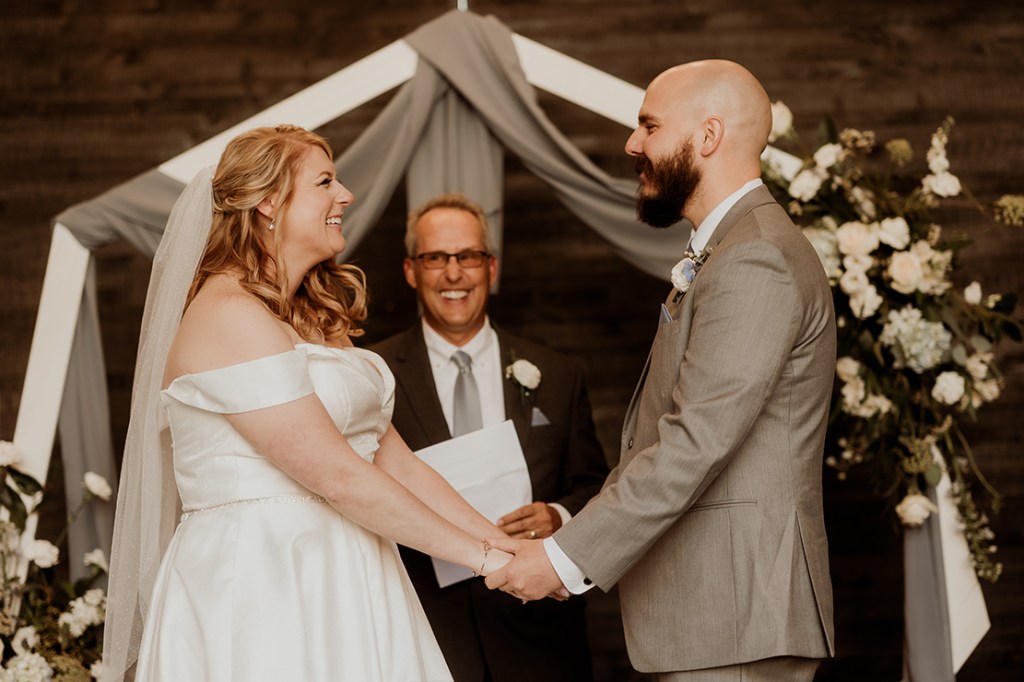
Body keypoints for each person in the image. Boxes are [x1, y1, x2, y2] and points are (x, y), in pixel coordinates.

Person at [102, 125, 513, 681]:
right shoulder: (227, 314)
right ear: (269, 202)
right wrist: (483, 561)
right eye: (325, 182)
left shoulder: (314, 317)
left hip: (349, 568)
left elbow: (396, 463)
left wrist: (504, 545)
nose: (345, 195)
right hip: (264, 580)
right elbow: (338, 477)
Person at [486, 60, 837, 681]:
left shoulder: (755, 256)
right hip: (720, 617)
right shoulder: (732, 248)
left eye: (649, 126)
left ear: (708, 135)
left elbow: (696, 440)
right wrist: (574, 533)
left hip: (736, 616)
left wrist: (565, 558)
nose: (632, 144)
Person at [370, 193, 608, 682]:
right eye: (436, 258)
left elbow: (596, 487)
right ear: (411, 271)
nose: (453, 274)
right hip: (423, 632)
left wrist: (557, 515)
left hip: (538, 636)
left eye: (469, 257)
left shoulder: (559, 374)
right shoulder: (372, 376)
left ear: (491, 267)